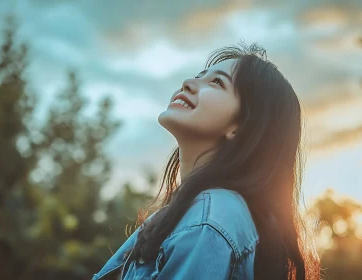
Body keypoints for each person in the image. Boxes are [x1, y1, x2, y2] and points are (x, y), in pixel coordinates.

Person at [92, 42, 320, 280]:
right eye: (198, 76)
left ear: (243, 125)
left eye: (216, 82)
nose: (188, 83)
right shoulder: (195, 213)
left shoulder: (209, 218)